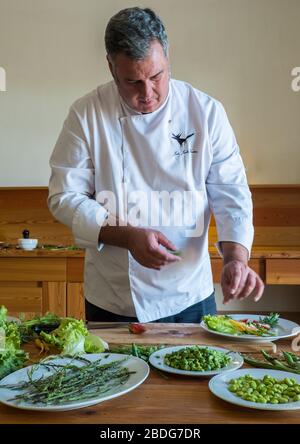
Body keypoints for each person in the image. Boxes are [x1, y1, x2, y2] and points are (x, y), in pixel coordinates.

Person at [48, 7, 264, 323]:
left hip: (189, 294)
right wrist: (128, 235)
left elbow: (232, 194)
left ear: (167, 58)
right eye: (132, 81)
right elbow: (63, 198)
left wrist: (236, 259)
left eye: (156, 76)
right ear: (111, 68)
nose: (147, 93)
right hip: (114, 298)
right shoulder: (86, 114)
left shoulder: (205, 112)